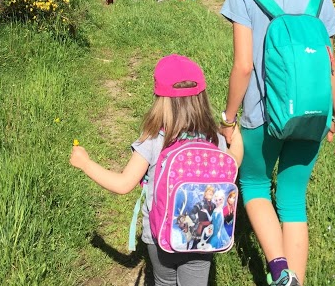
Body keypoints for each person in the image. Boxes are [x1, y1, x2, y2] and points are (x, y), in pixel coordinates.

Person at [219, 0, 335, 286]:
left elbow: (243, 66)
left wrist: (228, 121)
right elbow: (331, 66)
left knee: (256, 186)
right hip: (313, 113)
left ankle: (280, 271)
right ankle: (298, 282)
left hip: (262, 116)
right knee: (293, 198)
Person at [69, 55, 242, 286]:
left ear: (160, 99)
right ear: (201, 98)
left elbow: (123, 184)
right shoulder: (214, 139)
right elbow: (234, 163)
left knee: (163, 281)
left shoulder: (154, 140)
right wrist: (234, 129)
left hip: (161, 235)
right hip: (203, 238)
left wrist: (86, 164)